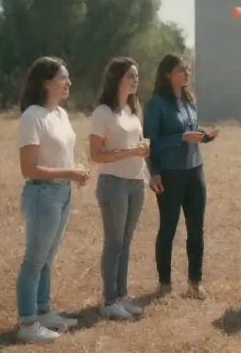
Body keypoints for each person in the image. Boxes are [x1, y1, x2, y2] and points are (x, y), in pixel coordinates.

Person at [15, 56, 90, 343]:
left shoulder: (59, 113)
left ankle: (43, 312)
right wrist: (70, 171)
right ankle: (26, 323)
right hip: (42, 194)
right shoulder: (32, 116)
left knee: (47, 258)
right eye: (63, 78)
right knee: (34, 259)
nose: (69, 82)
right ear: (47, 82)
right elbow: (29, 168)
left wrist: (71, 174)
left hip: (62, 193)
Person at [142, 53, 218, 300]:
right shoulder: (156, 104)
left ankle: (195, 284)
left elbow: (190, 131)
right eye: (181, 70)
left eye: (187, 69)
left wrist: (204, 136)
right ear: (167, 74)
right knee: (168, 228)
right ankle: (165, 284)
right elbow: (150, 142)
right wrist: (153, 172)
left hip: (195, 171)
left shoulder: (188, 100)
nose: (187, 74)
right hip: (170, 174)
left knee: (196, 229)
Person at [89, 57, 150, 319]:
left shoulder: (133, 110)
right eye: (130, 76)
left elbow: (138, 146)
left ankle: (122, 295)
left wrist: (145, 156)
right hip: (113, 183)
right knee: (114, 242)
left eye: (137, 75)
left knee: (126, 242)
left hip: (137, 182)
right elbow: (96, 155)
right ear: (117, 79)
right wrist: (131, 151)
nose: (135, 80)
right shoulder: (103, 112)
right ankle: (109, 301)